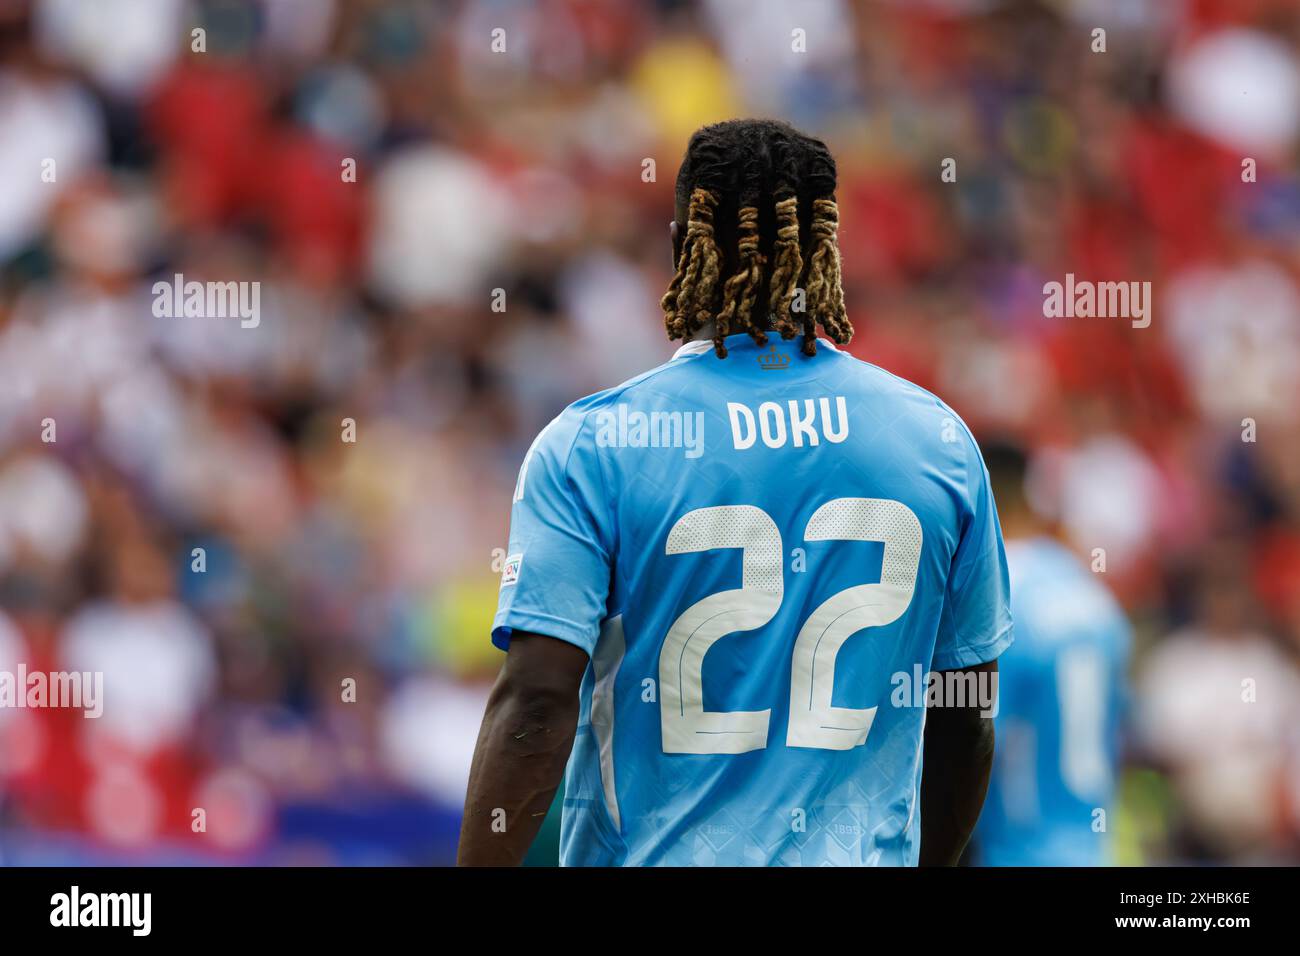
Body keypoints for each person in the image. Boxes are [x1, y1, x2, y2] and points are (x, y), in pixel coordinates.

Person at [459, 119, 1013, 866]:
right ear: (824, 246)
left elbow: (538, 700)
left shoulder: (594, 446)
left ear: (685, 241)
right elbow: (965, 712)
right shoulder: (935, 441)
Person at [971, 441, 1130, 866]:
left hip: (1015, 851)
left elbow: (975, 740)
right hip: (1094, 851)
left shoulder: (996, 594)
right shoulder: (1095, 598)